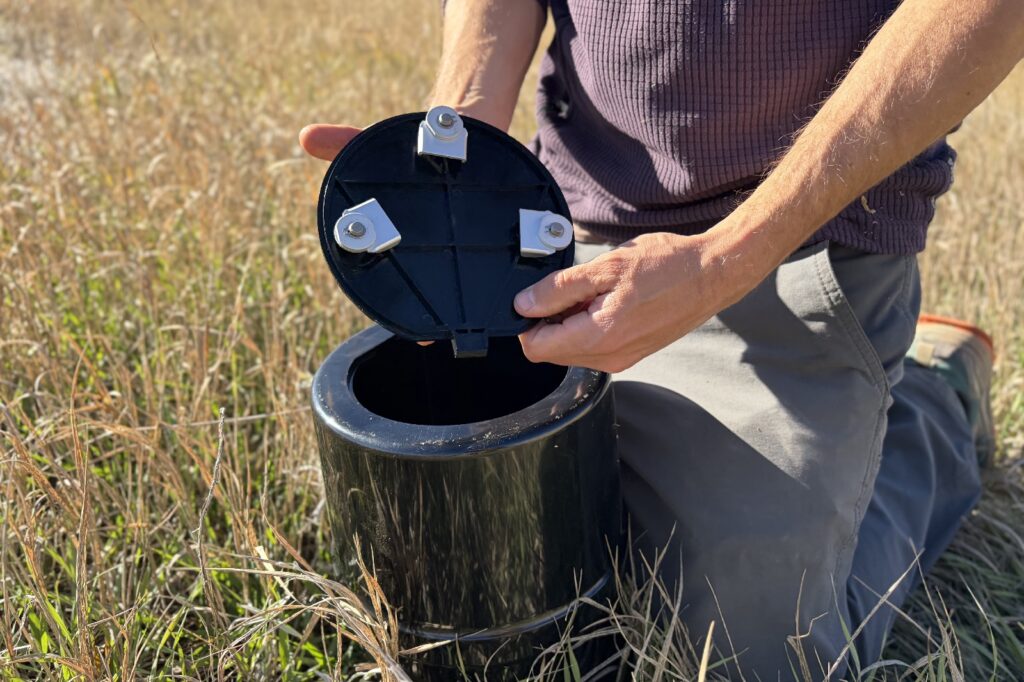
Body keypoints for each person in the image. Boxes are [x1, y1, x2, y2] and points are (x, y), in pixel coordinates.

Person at [299, 1, 1023, 678]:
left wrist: (723, 257)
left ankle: (930, 407)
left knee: (744, 643)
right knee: (452, 572)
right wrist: (458, 147)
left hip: (799, 237)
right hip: (556, 230)